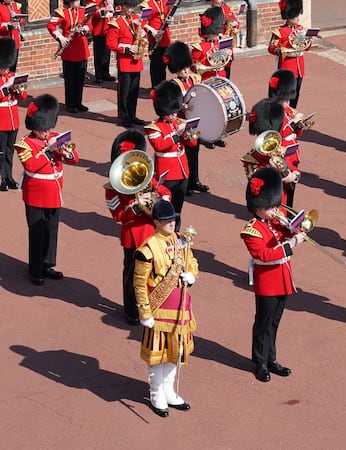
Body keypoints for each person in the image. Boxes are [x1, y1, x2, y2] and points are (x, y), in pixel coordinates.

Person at [133, 200, 197, 417]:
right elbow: (140, 284)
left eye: (173, 218)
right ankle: (156, 391)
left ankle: (168, 389)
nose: (172, 223)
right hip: (159, 308)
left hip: (180, 306)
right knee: (157, 354)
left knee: (175, 352)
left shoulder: (180, 240)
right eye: (168, 220)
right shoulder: (147, 249)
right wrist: (144, 312)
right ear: (157, 222)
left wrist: (192, 275)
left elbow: (192, 262)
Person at [241, 166, 304, 382]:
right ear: (259, 206)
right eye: (270, 206)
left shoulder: (274, 222)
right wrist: (292, 243)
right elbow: (264, 255)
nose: (275, 209)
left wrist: (292, 227)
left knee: (274, 323)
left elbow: (288, 232)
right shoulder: (251, 230)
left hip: (283, 279)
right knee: (264, 322)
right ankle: (259, 361)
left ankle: (271, 358)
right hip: (268, 283)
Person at [105, 130, 171, 325]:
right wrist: (134, 207)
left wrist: (159, 199)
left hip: (153, 233)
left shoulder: (147, 177)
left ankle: (152, 305)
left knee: (156, 272)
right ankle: (132, 311)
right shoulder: (112, 188)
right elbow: (117, 215)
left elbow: (166, 192)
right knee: (134, 276)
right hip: (134, 236)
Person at [14, 94, 79, 285]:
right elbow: (31, 166)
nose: (47, 131)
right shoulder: (24, 145)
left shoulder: (55, 137)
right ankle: (35, 269)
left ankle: (47, 264)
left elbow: (75, 158)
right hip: (36, 195)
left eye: (48, 127)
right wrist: (48, 150)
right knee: (37, 233)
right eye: (44, 129)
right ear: (35, 127)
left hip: (55, 193)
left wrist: (66, 152)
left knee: (52, 231)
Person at [145, 80, 196, 231]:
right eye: (172, 112)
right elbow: (159, 145)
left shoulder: (179, 122)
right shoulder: (154, 127)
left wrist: (188, 134)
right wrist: (176, 135)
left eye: (175, 111)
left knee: (177, 209)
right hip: (167, 173)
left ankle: (176, 233)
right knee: (164, 208)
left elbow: (192, 144)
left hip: (182, 171)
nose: (175, 115)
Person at [164, 41, 207, 195]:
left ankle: (195, 180)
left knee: (195, 152)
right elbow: (170, 105)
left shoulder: (195, 78)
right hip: (182, 123)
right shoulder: (174, 84)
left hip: (196, 122)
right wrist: (182, 106)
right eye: (182, 68)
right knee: (185, 153)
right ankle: (186, 183)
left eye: (187, 67)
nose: (185, 71)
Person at [191, 6, 228, 149]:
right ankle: (205, 136)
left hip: (220, 79)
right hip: (206, 81)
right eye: (215, 31)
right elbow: (194, 67)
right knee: (207, 111)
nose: (218, 34)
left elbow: (228, 60)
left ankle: (218, 134)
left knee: (221, 110)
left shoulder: (222, 44)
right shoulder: (199, 47)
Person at [107, 0, 146, 127]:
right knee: (124, 92)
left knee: (134, 91)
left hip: (136, 60)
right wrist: (127, 48)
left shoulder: (136, 19)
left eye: (132, 7)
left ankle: (132, 115)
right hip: (125, 60)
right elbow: (110, 44)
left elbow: (140, 33)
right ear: (122, 7)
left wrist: (143, 33)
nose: (130, 9)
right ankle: (124, 117)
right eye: (128, 7)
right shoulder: (116, 23)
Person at [267, 69, 303, 207]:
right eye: (285, 99)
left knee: (292, 189)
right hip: (280, 155)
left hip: (292, 154)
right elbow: (277, 134)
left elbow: (295, 134)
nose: (288, 102)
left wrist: (299, 126)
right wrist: (293, 124)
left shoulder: (288, 111)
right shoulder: (273, 112)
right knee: (280, 191)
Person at [48, 0, 90, 114]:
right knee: (70, 78)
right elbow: (51, 25)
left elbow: (88, 24)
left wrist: (85, 29)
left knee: (80, 78)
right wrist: (60, 37)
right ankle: (70, 103)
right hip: (69, 48)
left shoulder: (83, 10)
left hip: (81, 46)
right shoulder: (62, 12)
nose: (78, 2)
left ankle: (78, 102)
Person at [267, 0, 308, 108]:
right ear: (289, 16)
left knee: (295, 96)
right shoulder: (279, 31)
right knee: (285, 97)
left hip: (299, 68)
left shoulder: (300, 29)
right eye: (295, 16)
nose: (298, 18)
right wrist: (282, 50)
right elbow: (272, 48)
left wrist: (308, 40)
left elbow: (306, 47)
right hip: (287, 67)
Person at [0, 37, 25, 191]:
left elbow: (23, 96)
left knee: (10, 151)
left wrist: (19, 89)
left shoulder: (12, 75)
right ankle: (1, 179)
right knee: (1, 151)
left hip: (13, 119)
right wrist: (5, 88)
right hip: (1, 120)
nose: (6, 70)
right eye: (4, 67)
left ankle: (8, 177)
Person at [143, 0, 174, 89]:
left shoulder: (165, 1)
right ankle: (156, 86)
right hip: (155, 38)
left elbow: (169, 14)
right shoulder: (147, 4)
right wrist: (153, 32)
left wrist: (170, 20)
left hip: (165, 37)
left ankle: (162, 85)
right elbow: (143, 23)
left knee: (163, 64)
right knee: (155, 65)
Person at [210, 0, 239, 79]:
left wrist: (234, 24)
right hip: (216, 43)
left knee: (227, 66)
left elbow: (236, 21)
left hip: (227, 42)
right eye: (219, 2)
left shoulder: (227, 9)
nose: (222, 2)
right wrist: (219, 36)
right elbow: (203, 32)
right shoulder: (209, 13)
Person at [89, 0, 115, 84]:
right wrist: (104, 10)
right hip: (99, 30)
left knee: (107, 53)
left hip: (108, 29)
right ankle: (99, 75)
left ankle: (105, 73)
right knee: (99, 54)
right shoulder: (94, 1)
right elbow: (92, 12)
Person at [0, 0, 24, 72]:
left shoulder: (15, 5)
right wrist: (8, 26)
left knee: (13, 68)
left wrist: (19, 21)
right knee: (3, 69)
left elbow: (22, 20)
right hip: (3, 42)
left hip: (15, 41)